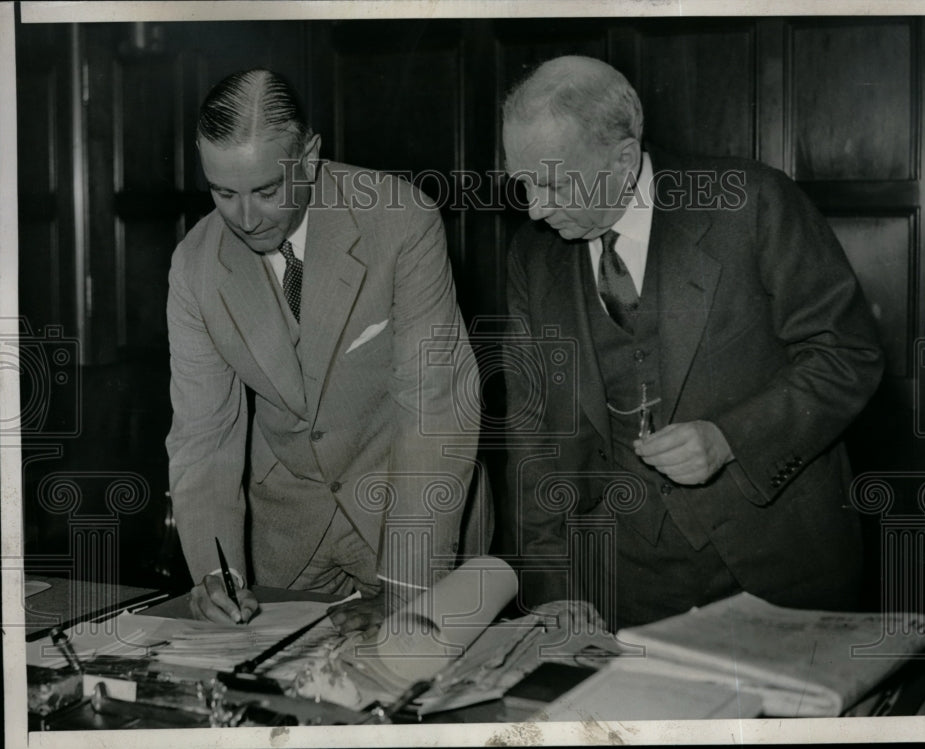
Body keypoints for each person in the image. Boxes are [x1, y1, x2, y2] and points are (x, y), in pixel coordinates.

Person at [501, 56, 884, 630]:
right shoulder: (534, 260)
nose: (533, 208)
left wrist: (730, 438)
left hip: (781, 567)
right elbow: (535, 435)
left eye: (552, 182)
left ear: (624, 158)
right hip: (622, 584)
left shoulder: (751, 204)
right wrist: (551, 585)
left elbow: (846, 356)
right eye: (521, 183)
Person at [166, 69, 490, 629]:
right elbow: (203, 436)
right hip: (285, 541)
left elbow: (436, 411)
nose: (244, 219)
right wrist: (218, 574)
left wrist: (407, 589)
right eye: (223, 193)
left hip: (410, 525)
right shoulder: (195, 266)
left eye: (268, 191)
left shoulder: (401, 220)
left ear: (310, 156)